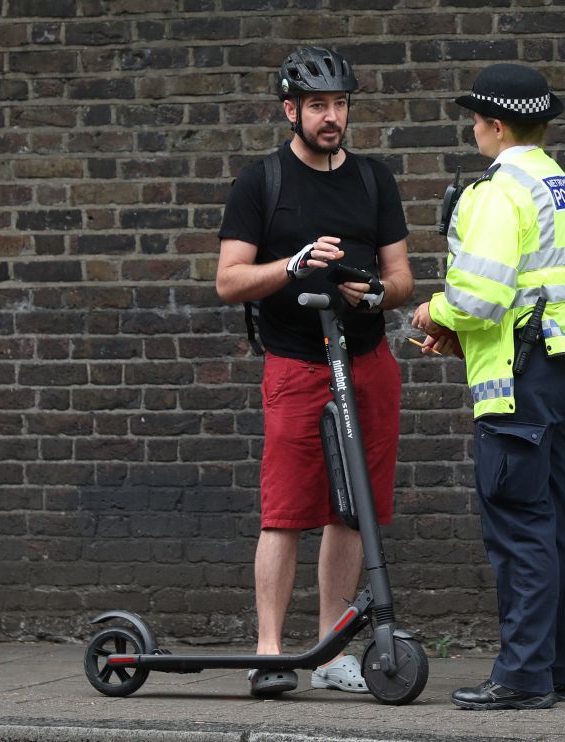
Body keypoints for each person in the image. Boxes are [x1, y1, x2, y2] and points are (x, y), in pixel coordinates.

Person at [412, 63, 565, 710]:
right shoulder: (561, 184)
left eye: (476, 120)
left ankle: (524, 677)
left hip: (522, 379)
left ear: (497, 125)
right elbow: (537, 286)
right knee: (554, 518)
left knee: (519, 524)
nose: (473, 130)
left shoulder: (498, 191)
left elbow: (480, 296)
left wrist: (434, 313)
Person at [216, 46, 413, 698]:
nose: (333, 118)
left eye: (340, 105)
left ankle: (332, 652)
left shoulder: (371, 180)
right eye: (319, 106)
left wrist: (374, 293)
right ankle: (270, 652)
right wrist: (295, 264)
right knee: (285, 511)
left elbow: (403, 279)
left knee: (352, 511)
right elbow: (230, 281)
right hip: (298, 365)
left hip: (366, 362)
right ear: (290, 110)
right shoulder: (261, 183)